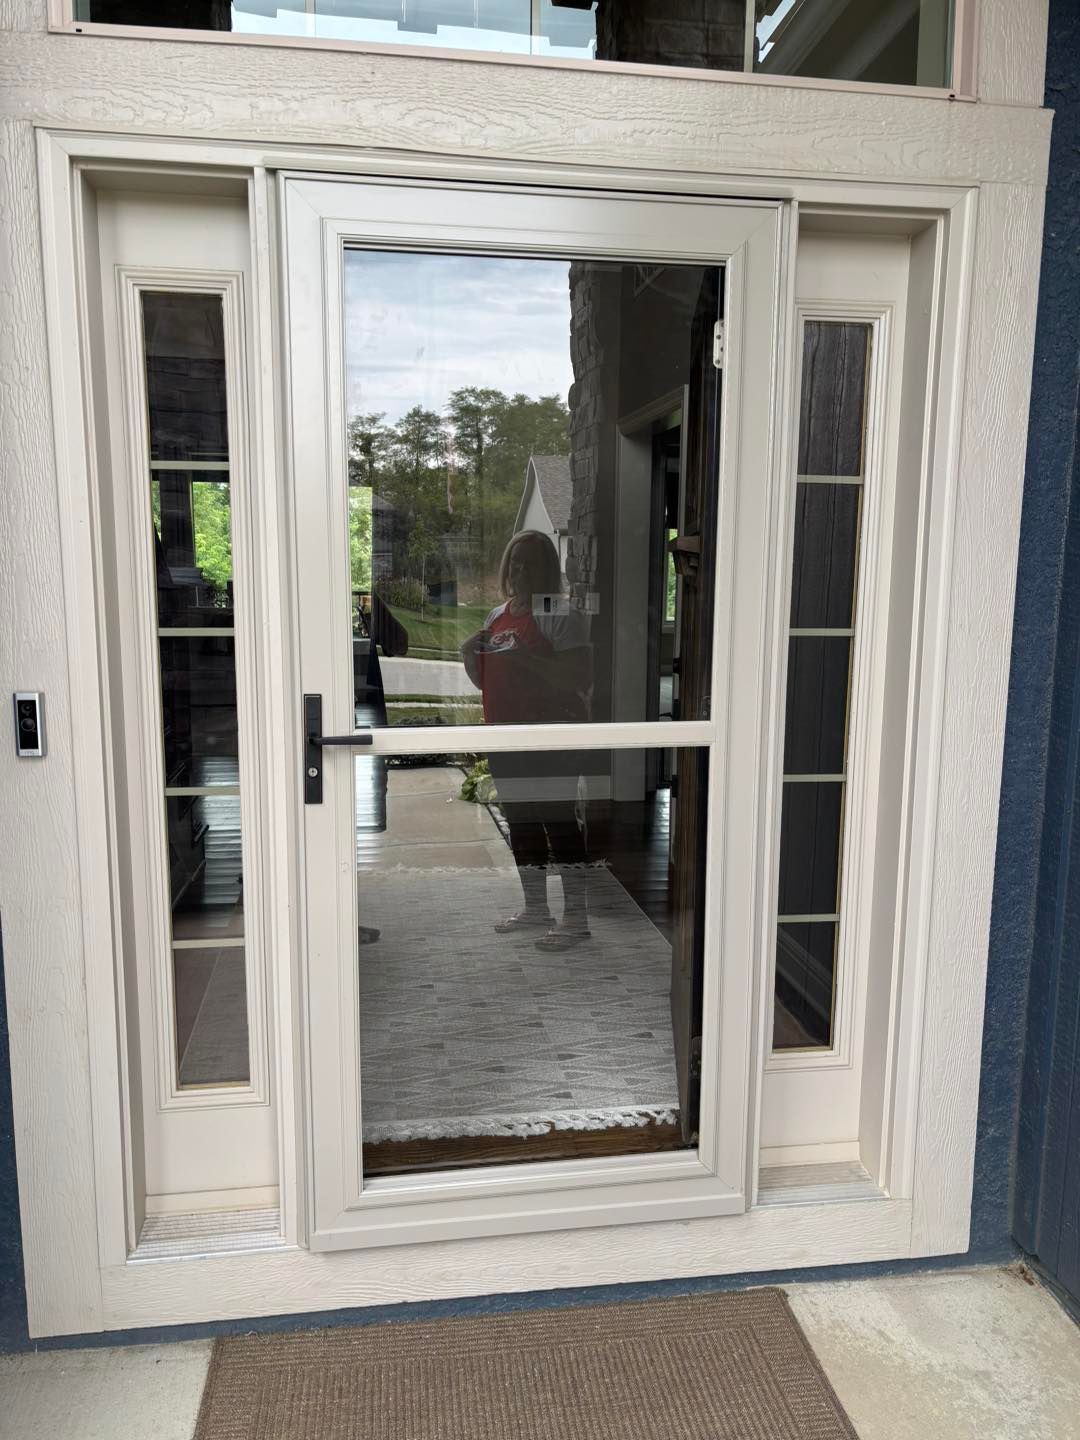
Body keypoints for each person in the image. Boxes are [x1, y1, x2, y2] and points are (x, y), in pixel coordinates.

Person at [461, 531, 594, 952]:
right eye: (514, 562)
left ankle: (577, 918)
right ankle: (536, 908)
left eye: (529, 563)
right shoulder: (497, 615)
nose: (519, 570)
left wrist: (527, 659)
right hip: (506, 735)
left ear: (546, 569)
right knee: (521, 823)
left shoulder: (554, 610)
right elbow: (486, 679)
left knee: (557, 822)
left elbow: (577, 677)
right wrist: (470, 654)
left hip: (550, 735)